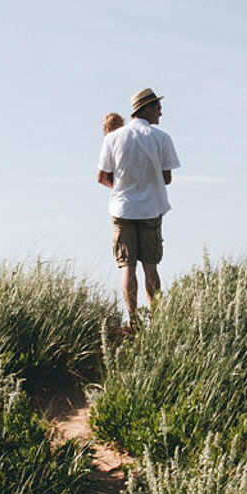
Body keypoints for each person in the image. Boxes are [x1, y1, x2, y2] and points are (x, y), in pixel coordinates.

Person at [97, 88, 180, 327]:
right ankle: (157, 321)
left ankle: (133, 320)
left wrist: (120, 186)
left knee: (127, 267)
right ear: (145, 109)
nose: (160, 112)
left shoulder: (113, 138)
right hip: (151, 209)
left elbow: (102, 176)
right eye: (157, 107)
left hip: (122, 209)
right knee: (151, 267)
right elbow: (167, 179)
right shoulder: (162, 139)